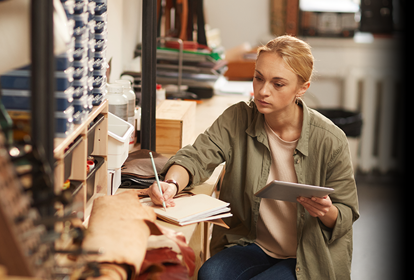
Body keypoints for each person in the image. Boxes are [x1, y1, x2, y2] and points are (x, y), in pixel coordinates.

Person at [148, 35, 359, 280]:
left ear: (302, 88)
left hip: (306, 255)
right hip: (255, 244)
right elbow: (196, 156)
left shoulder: (331, 139)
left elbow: (347, 213)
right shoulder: (237, 118)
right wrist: (171, 184)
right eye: (258, 77)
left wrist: (326, 211)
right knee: (210, 275)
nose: (262, 91)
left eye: (277, 84)